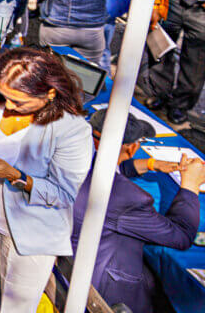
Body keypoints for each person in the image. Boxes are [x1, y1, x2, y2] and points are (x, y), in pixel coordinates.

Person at [0, 47, 92, 313]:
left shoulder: (72, 131)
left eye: (19, 103)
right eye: (3, 96)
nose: (8, 106)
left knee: (18, 295)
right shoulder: (1, 83)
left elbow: (64, 193)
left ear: (50, 94)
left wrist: (15, 175)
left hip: (30, 224)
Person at [70, 110, 204, 313]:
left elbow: (101, 166)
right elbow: (181, 236)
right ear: (132, 148)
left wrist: (148, 164)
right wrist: (190, 186)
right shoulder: (128, 198)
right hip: (107, 287)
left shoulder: (71, 157)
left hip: (72, 261)